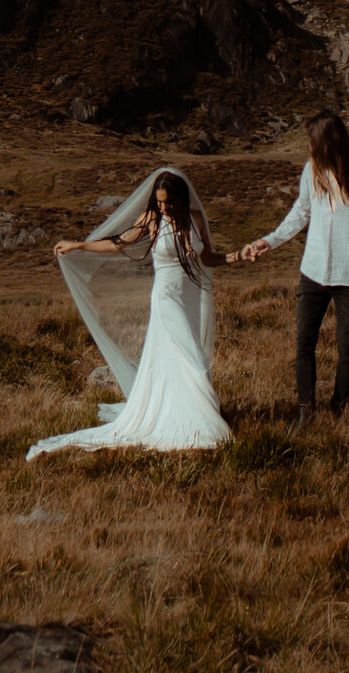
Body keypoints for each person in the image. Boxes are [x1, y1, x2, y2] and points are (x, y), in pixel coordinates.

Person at [28, 168, 232, 458]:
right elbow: (119, 242)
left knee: (180, 357)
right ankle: (198, 421)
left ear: (180, 200)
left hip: (188, 297)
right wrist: (80, 245)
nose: (163, 208)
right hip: (165, 300)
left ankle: (178, 409)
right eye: (159, 202)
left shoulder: (194, 219)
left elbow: (208, 257)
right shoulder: (153, 220)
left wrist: (238, 256)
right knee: (193, 359)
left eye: (168, 203)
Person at [235, 112, 349, 425]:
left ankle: (341, 406)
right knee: (304, 343)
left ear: (326, 142)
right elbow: (300, 212)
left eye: (311, 141)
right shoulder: (311, 170)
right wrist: (270, 241)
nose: (308, 147)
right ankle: (307, 410)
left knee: (347, 343)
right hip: (313, 271)